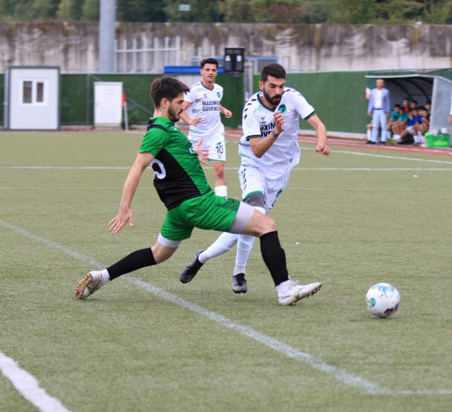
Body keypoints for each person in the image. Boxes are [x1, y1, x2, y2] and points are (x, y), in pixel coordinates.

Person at [74, 76, 321, 306]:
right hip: (199, 203)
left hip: (177, 210)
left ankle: (102, 276)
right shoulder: (159, 131)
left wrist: (195, 154)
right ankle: (285, 289)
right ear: (164, 102)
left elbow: (171, 158)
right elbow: (138, 165)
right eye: (179, 102)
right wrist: (124, 207)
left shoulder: (162, 128)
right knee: (267, 225)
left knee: (158, 253)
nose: (184, 107)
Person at [179, 63, 330, 294]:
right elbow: (257, 150)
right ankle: (241, 273)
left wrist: (321, 141)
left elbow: (319, 124)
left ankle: (202, 257)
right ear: (261, 85)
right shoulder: (251, 109)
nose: (278, 91)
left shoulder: (292, 97)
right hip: (254, 166)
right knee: (256, 214)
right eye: (272, 86)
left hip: (280, 173)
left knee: (247, 224)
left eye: (281, 86)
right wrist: (276, 132)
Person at [180, 58, 234, 197]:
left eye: (213, 70)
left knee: (219, 171)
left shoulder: (219, 89)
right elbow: (181, 109)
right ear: (201, 71)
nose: (210, 72)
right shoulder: (193, 90)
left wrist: (224, 110)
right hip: (197, 137)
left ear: (216, 72)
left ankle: (222, 205)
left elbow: (214, 103)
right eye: (207, 70)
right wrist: (189, 120)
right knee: (190, 173)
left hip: (215, 135)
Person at [366, 78, 390, 145]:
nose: (379, 84)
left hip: (382, 110)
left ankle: (383, 140)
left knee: (383, 125)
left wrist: (388, 111)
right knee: (375, 126)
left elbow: (387, 102)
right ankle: (373, 140)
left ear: (383, 84)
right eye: (378, 83)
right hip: (375, 110)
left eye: (380, 83)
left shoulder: (386, 92)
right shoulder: (373, 91)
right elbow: (371, 102)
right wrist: (369, 110)